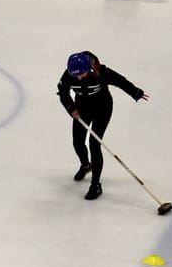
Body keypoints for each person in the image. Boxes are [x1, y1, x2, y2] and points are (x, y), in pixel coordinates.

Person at [57, 52, 148, 201]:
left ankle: (95, 185)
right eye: (76, 75)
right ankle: (86, 165)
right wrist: (71, 108)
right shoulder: (69, 75)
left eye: (82, 74)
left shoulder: (101, 72)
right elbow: (62, 92)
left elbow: (120, 81)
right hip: (81, 109)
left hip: (102, 109)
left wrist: (135, 92)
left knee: (94, 144)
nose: (78, 78)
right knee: (78, 142)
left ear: (89, 69)